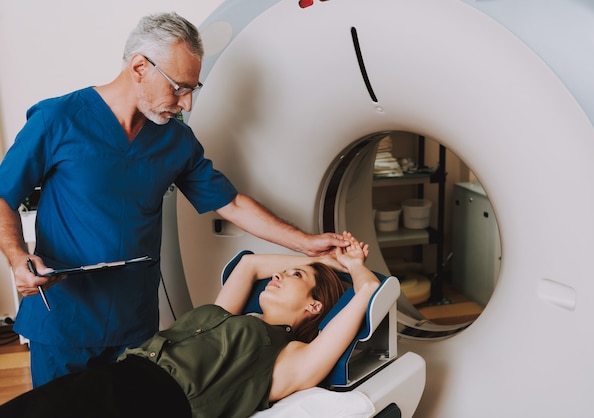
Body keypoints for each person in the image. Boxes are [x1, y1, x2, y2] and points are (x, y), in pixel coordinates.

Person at [0, 11, 348, 388]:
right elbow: (3, 195)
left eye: (192, 89)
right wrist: (18, 258)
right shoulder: (58, 119)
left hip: (135, 323)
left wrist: (306, 243)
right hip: (64, 315)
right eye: (179, 87)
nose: (187, 103)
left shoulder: (176, 141)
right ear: (139, 67)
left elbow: (229, 203)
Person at [0, 232, 380, 418]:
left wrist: (356, 269)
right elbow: (248, 265)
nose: (276, 275)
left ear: (314, 305)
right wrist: (326, 259)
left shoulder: (288, 354)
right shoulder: (229, 315)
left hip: (154, 404)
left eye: (293, 275)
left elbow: (367, 291)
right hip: (117, 376)